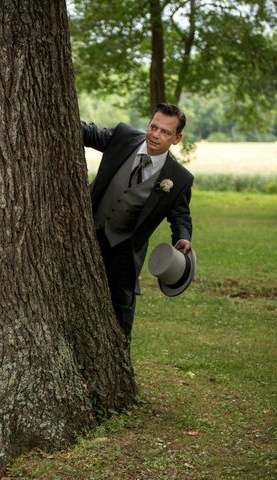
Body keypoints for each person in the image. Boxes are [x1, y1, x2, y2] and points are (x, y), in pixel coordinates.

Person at [82, 103, 193, 339]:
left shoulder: (179, 178)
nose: (155, 134)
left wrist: (183, 237)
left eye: (165, 132)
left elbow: (180, 216)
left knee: (121, 304)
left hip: (124, 246)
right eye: (154, 126)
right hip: (87, 230)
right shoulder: (123, 137)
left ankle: (120, 359)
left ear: (177, 138)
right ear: (148, 123)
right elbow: (90, 133)